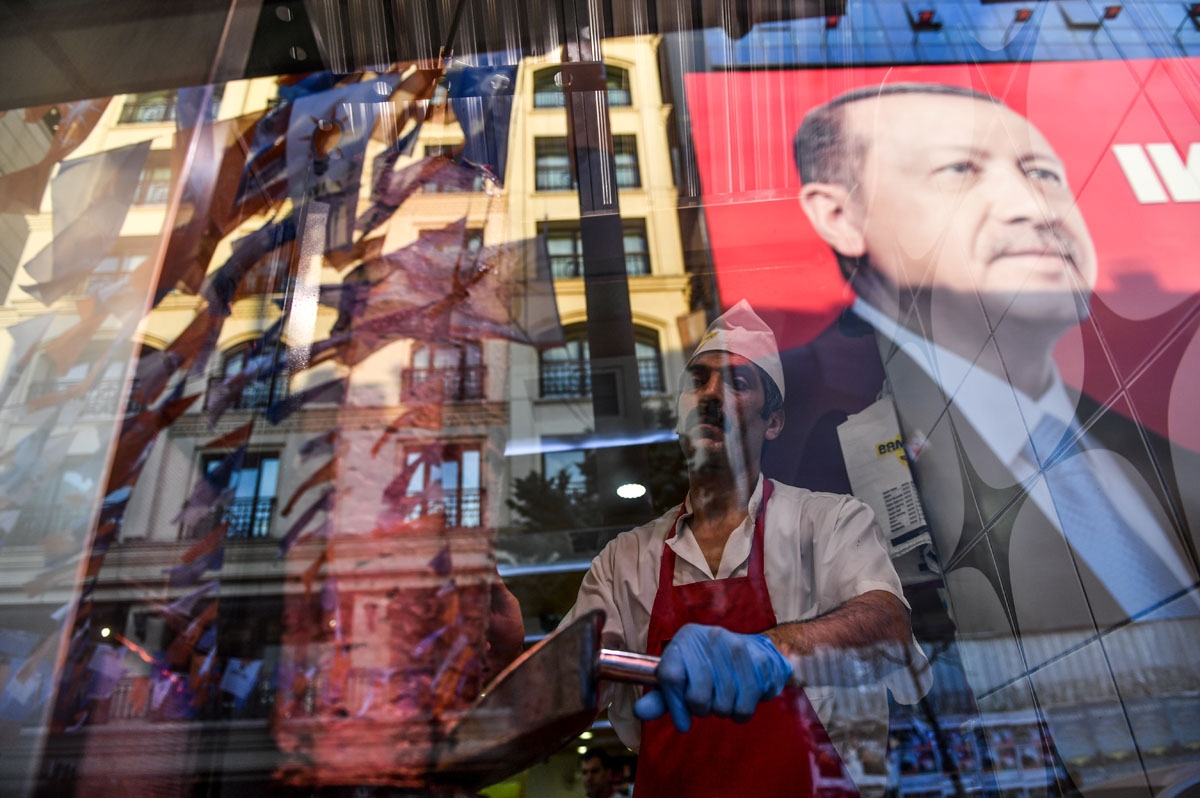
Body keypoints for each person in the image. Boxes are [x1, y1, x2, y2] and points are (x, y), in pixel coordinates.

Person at [783, 83, 1200, 792]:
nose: (1033, 206)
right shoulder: (799, 435)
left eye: (1044, 173)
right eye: (961, 170)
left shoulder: (1170, 452)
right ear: (840, 215)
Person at [562, 300, 929, 797]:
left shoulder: (829, 521)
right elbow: (568, 690)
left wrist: (770, 651)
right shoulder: (622, 562)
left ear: (773, 422)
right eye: (698, 381)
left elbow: (889, 626)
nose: (710, 395)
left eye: (736, 383)